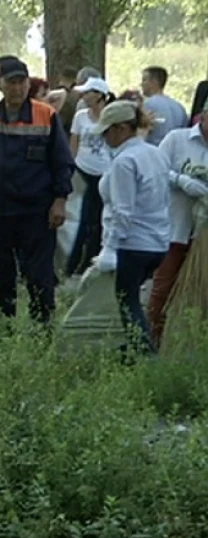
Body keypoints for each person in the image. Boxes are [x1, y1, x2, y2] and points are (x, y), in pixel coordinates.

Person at [0, 59, 75, 324]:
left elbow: (62, 162)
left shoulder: (45, 115)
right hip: (0, 210)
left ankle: (41, 331)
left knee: (39, 276)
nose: (17, 88)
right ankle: (3, 331)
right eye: (11, 82)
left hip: (37, 211)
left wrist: (60, 201)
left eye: (22, 82)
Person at [88, 101, 171, 355]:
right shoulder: (155, 153)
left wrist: (111, 248)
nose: (104, 138)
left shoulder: (125, 161)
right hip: (158, 242)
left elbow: (123, 211)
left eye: (107, 132)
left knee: (127, 302)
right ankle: (134, 347)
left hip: (132, 243)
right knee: (134, 298)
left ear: (122, 129)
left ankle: (144, 354)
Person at [151, 113, 208, 347]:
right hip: (176, 226)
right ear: (203, 116)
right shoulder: (177, 139)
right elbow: (157, 169)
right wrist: (181, 180)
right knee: (162, 286)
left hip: (204, 233)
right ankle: (152, 339)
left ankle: (195, 343)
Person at [65, 77, 113, 277]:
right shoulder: (81, 117)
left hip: (105, 172)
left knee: (100, 218)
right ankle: (73, 264)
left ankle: (92, 259)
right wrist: (71, 166)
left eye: (88, 92)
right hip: (83, 171)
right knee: (83, 218)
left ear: (100, 96)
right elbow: (74, 143)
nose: (84, 96)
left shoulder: (111, 116)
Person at [141, 66, 188, 147]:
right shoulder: (180, 107)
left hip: (153, 151)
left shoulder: (147, 105)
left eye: (144, 80)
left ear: (154, 82)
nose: (141, 84)